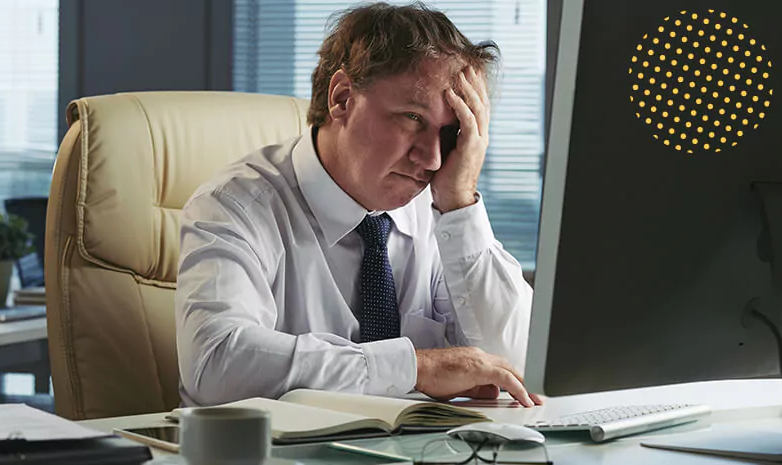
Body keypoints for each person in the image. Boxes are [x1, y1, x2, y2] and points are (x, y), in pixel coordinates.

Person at [175, 1, 540, 408]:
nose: (433, 159)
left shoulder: (438, 214)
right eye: (413, 118)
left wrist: (459, 205)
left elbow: (521, 363)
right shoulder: (234, 207)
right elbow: (215, 365)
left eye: (451, 133)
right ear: (343, 98)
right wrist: (415, 368)